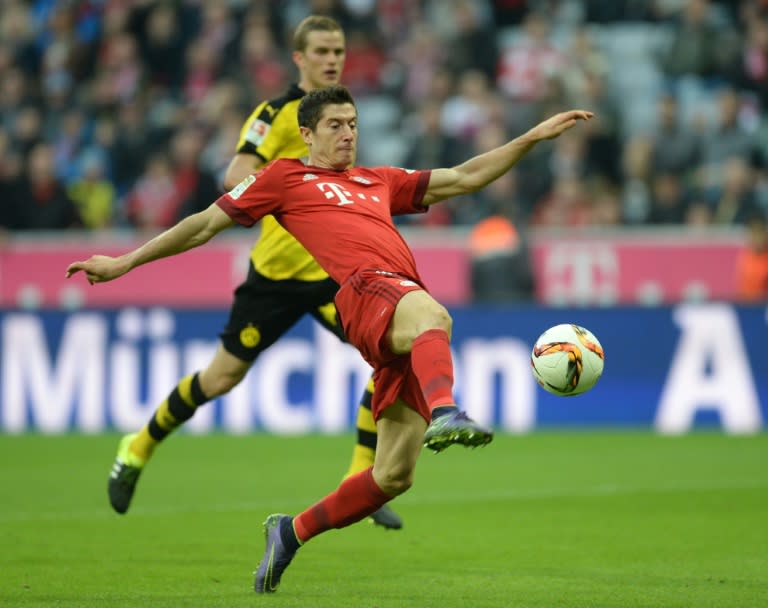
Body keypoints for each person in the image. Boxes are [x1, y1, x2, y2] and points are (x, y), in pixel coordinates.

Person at [66, 85, 592, 593]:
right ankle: (446, 412)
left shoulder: (378, 180)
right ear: (306, 133)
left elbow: (464, 176)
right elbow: (204, 225)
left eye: (354, 125)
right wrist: (126, 261)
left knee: (391, 477)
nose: (348, 134)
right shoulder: (284, 178)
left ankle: (290, 532)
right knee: (435, 316)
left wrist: (532, 137)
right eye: (336, 125)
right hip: (366, 293)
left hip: (395, 310)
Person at [104, 15, 401, 529]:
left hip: (334, 275)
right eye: (323, 51)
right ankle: (139, 444)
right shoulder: (274, 113)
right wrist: (286, 185)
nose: (333, 59)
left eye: (339, 50)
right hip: (275, 275)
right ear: (299, 58)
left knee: (390, 351)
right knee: (221, 377)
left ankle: (361, 478)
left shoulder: (342, 116)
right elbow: (235, 174)